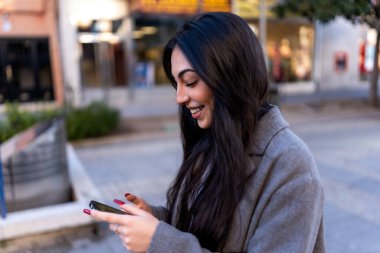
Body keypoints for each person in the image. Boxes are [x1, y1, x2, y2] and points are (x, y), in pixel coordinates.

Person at [83, 12, 325, 253]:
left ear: (229, 75)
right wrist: (156, 219)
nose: (180, 97)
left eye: (189, 82)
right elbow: (206, 229)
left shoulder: (292, 166)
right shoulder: (213, 138)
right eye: (176, 84)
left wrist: (160, 242)